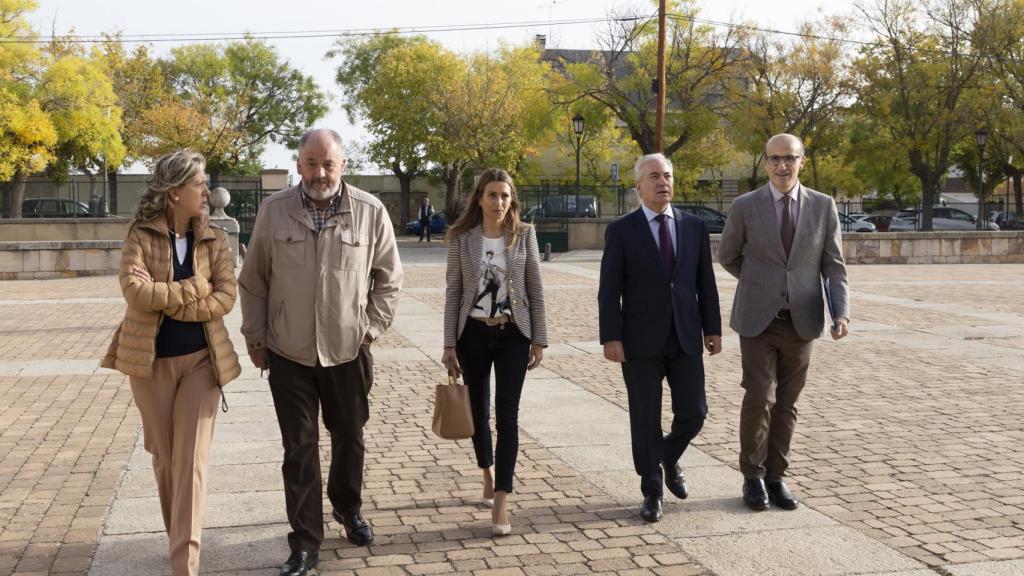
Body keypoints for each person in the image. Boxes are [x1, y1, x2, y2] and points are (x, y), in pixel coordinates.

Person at [238, 128, 403, 576]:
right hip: (289, 353)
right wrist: (256, 338)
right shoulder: (274, 211)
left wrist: (370, 330)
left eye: (328, 164)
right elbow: (253, 280)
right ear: (298, 165)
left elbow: (389, 279)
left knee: (350, 437)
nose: (320, 173)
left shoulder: (370, 211)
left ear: (342, 165)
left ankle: (348, 508)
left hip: (348, 352)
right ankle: (306, 543)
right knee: (299, 449)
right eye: (311, 164)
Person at [101, 150, 241, 576]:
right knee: (165, 459)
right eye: (199, 184)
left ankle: (184, 565)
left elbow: (226, 296)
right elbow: (134, 292)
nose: (207, 191)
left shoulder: (214, 237)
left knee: (191, 461)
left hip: (202, 362)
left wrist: (167, 297)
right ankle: (179, 537)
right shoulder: (140, 234)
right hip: (151, 363)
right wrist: (194, 287)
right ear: (175, 191)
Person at [718, 133, 849, 512]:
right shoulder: (745, 206)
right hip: (758, 320)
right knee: (760, 397)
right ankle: (753, 476)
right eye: (774, 158)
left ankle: (776, 476)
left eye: (789, 158)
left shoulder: (823, 206)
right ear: (765, 163)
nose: (782, 165)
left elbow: (833, 265)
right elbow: (727, 256)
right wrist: (761, 284)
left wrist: (840, 312)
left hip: (802, 321)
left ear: (801, 161)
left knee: (787, 404)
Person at [598, 153, 722, 523]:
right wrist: (610, 336)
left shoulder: (694, 227)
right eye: (654, 176)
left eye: (667, 175)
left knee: (695, 412)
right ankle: (651, 490)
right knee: (644, 417)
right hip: (638, 340)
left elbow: (705, 282)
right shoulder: (622, 230)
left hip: (685, 335)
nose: (662, 182)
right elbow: (609, 290)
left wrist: (712, 328)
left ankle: (667, 455)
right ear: (638, 186)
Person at [442, 168, 547, 536]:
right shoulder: (462, 238)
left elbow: (535, 288)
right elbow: (454, 291)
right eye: (492, 195)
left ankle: (502, 496)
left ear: (511, 199)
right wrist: (449, 344)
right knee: (477, 411)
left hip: (513, 333)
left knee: (507, 416)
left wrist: (539, 339)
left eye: (505, 195)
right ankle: (486, 471)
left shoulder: (525, 235)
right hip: (471, 334)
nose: (499, 201)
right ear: (480, 198)